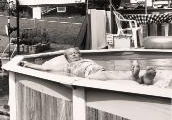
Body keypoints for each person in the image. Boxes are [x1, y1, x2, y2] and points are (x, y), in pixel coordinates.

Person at [20, 47, 156, 84]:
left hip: (99, 70)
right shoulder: (67, 67)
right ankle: (136, 77)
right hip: (92, 75)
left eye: (75, 53)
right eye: (71, 54)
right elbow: (46, 68)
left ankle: (142, 78)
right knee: (111, 75)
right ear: (67, 58)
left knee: (116, 74)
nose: (74, 54)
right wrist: (28, 64)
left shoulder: (86, 60)